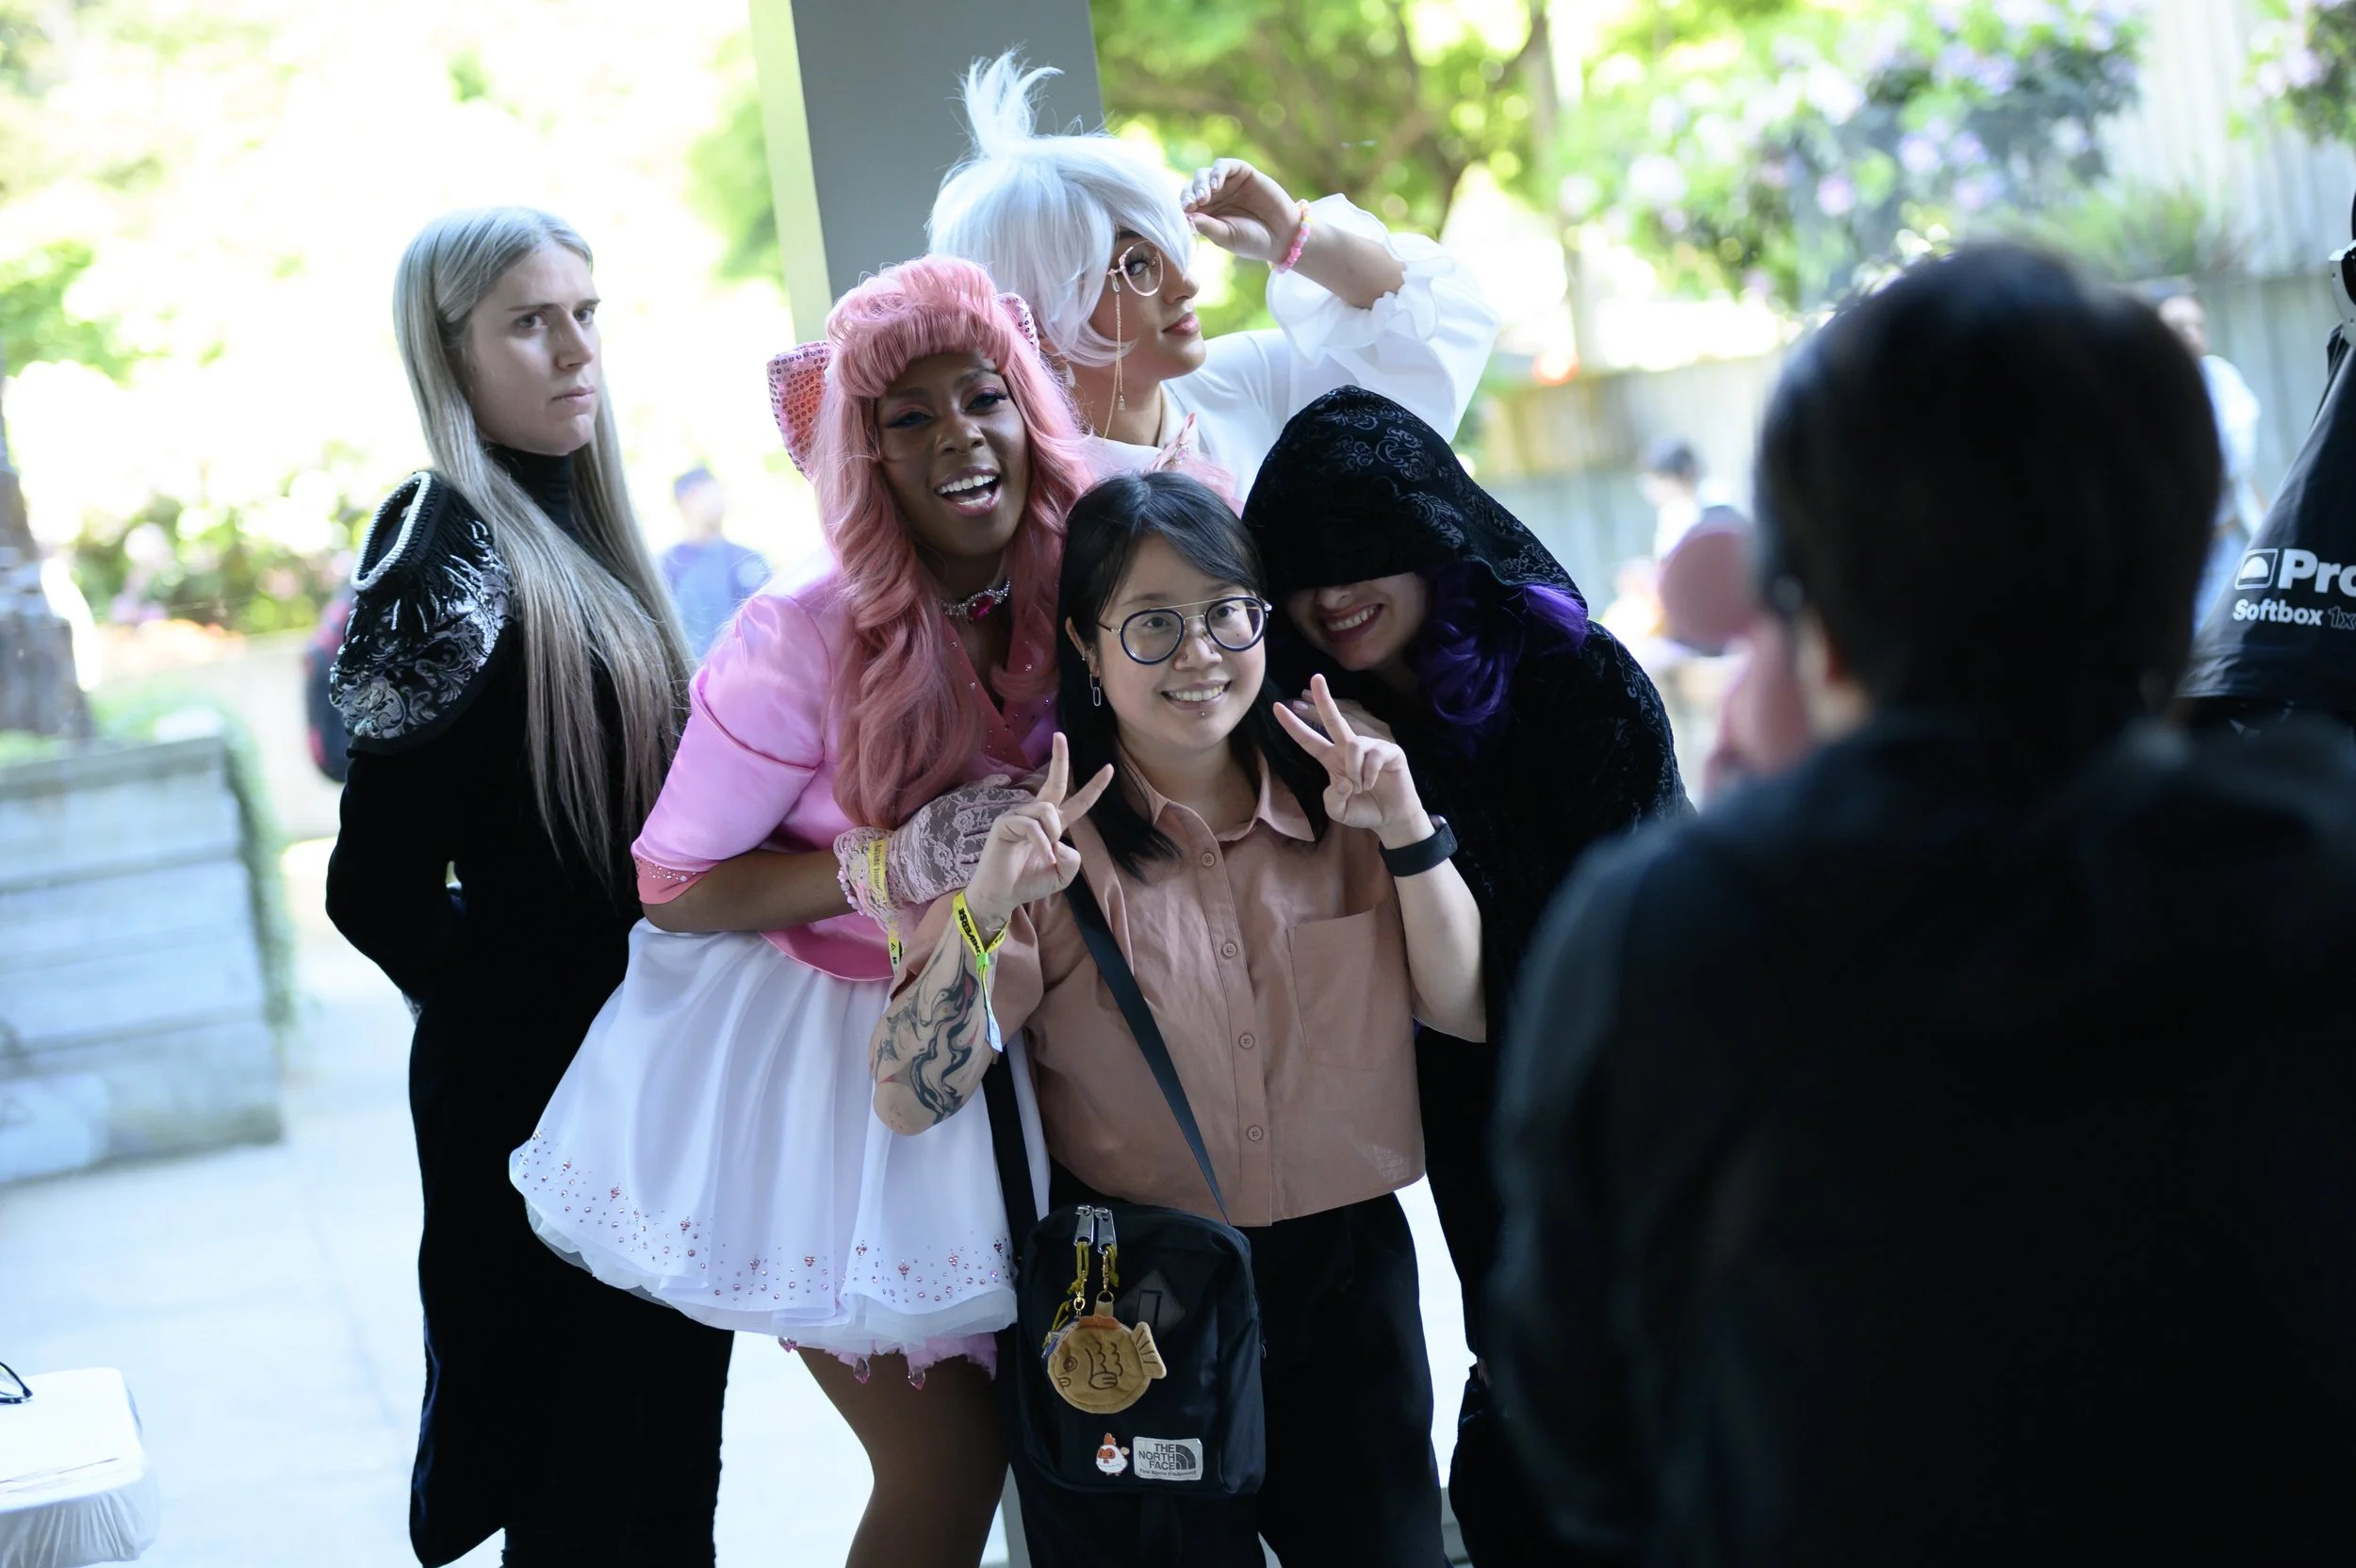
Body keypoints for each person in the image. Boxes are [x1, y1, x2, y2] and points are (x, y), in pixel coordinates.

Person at [1490, 245, 2356, 1564]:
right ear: (2182, 558)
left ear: (1815, 606)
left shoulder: (1663, 932)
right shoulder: (2316, 863)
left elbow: (1579, 1433)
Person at [510, 255, 1088, 1568]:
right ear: (862, 454)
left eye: (984, 395)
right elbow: (673, 885)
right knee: (948, 1465)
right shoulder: (796, 635)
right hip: (832, 1074)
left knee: (1087, 1426)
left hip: (1047, 1026)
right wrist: (883, 866)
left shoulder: (1091, 559)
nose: (959, 437)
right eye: (909, 417)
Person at [869, 469, 1486, 1567]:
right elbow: (910, 1097)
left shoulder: (1352, 784)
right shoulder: (1041, 843)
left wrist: (1404, 829)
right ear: (1088, 649)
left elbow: (1464, 1004)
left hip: (1344, 1288)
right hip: (1135, 1298)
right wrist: (990, 905)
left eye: (1225, 614)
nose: (1198, 654)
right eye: (1152, 626)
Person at [325, 207, 735, 1568]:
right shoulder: (445, 542)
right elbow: (371, 886)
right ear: (452, 355)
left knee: (664, 1483)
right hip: (545, 1114)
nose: (574, 349)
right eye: (528, 320)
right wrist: (514, 997)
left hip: (647, 1091)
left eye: (586, 311)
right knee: (587, 1501)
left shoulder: (591, 531)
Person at [1244, 387, 1685, 1568]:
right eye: (1299, 563)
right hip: (1462, 1106)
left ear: (1437, 527)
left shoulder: (1577, 677)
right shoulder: (1294, 724)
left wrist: (1410, 828)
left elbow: (1602, 964)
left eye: (1365, 546)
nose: (1332, 591)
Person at [928, 53, 1498, 498]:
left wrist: (1293, 236)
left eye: (1175, 249)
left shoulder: (1240, 382)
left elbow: (1430, 353)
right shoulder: (1014, 494)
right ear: (1036, 314)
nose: (1186, 286)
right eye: (1137, 264)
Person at [2159, 289, 2267, 620]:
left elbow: (2241, 473)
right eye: (2179, 327)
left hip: (2230, 542)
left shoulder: (2222, 379)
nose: (2192, 335)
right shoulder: (2141, 393)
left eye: (2198, 325)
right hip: (2174, 557)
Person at [660, 464, 770, 656]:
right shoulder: (667, 567)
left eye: (717, 491)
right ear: (684, 501)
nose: (716, 500)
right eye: (704, 493)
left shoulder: (748, 560)